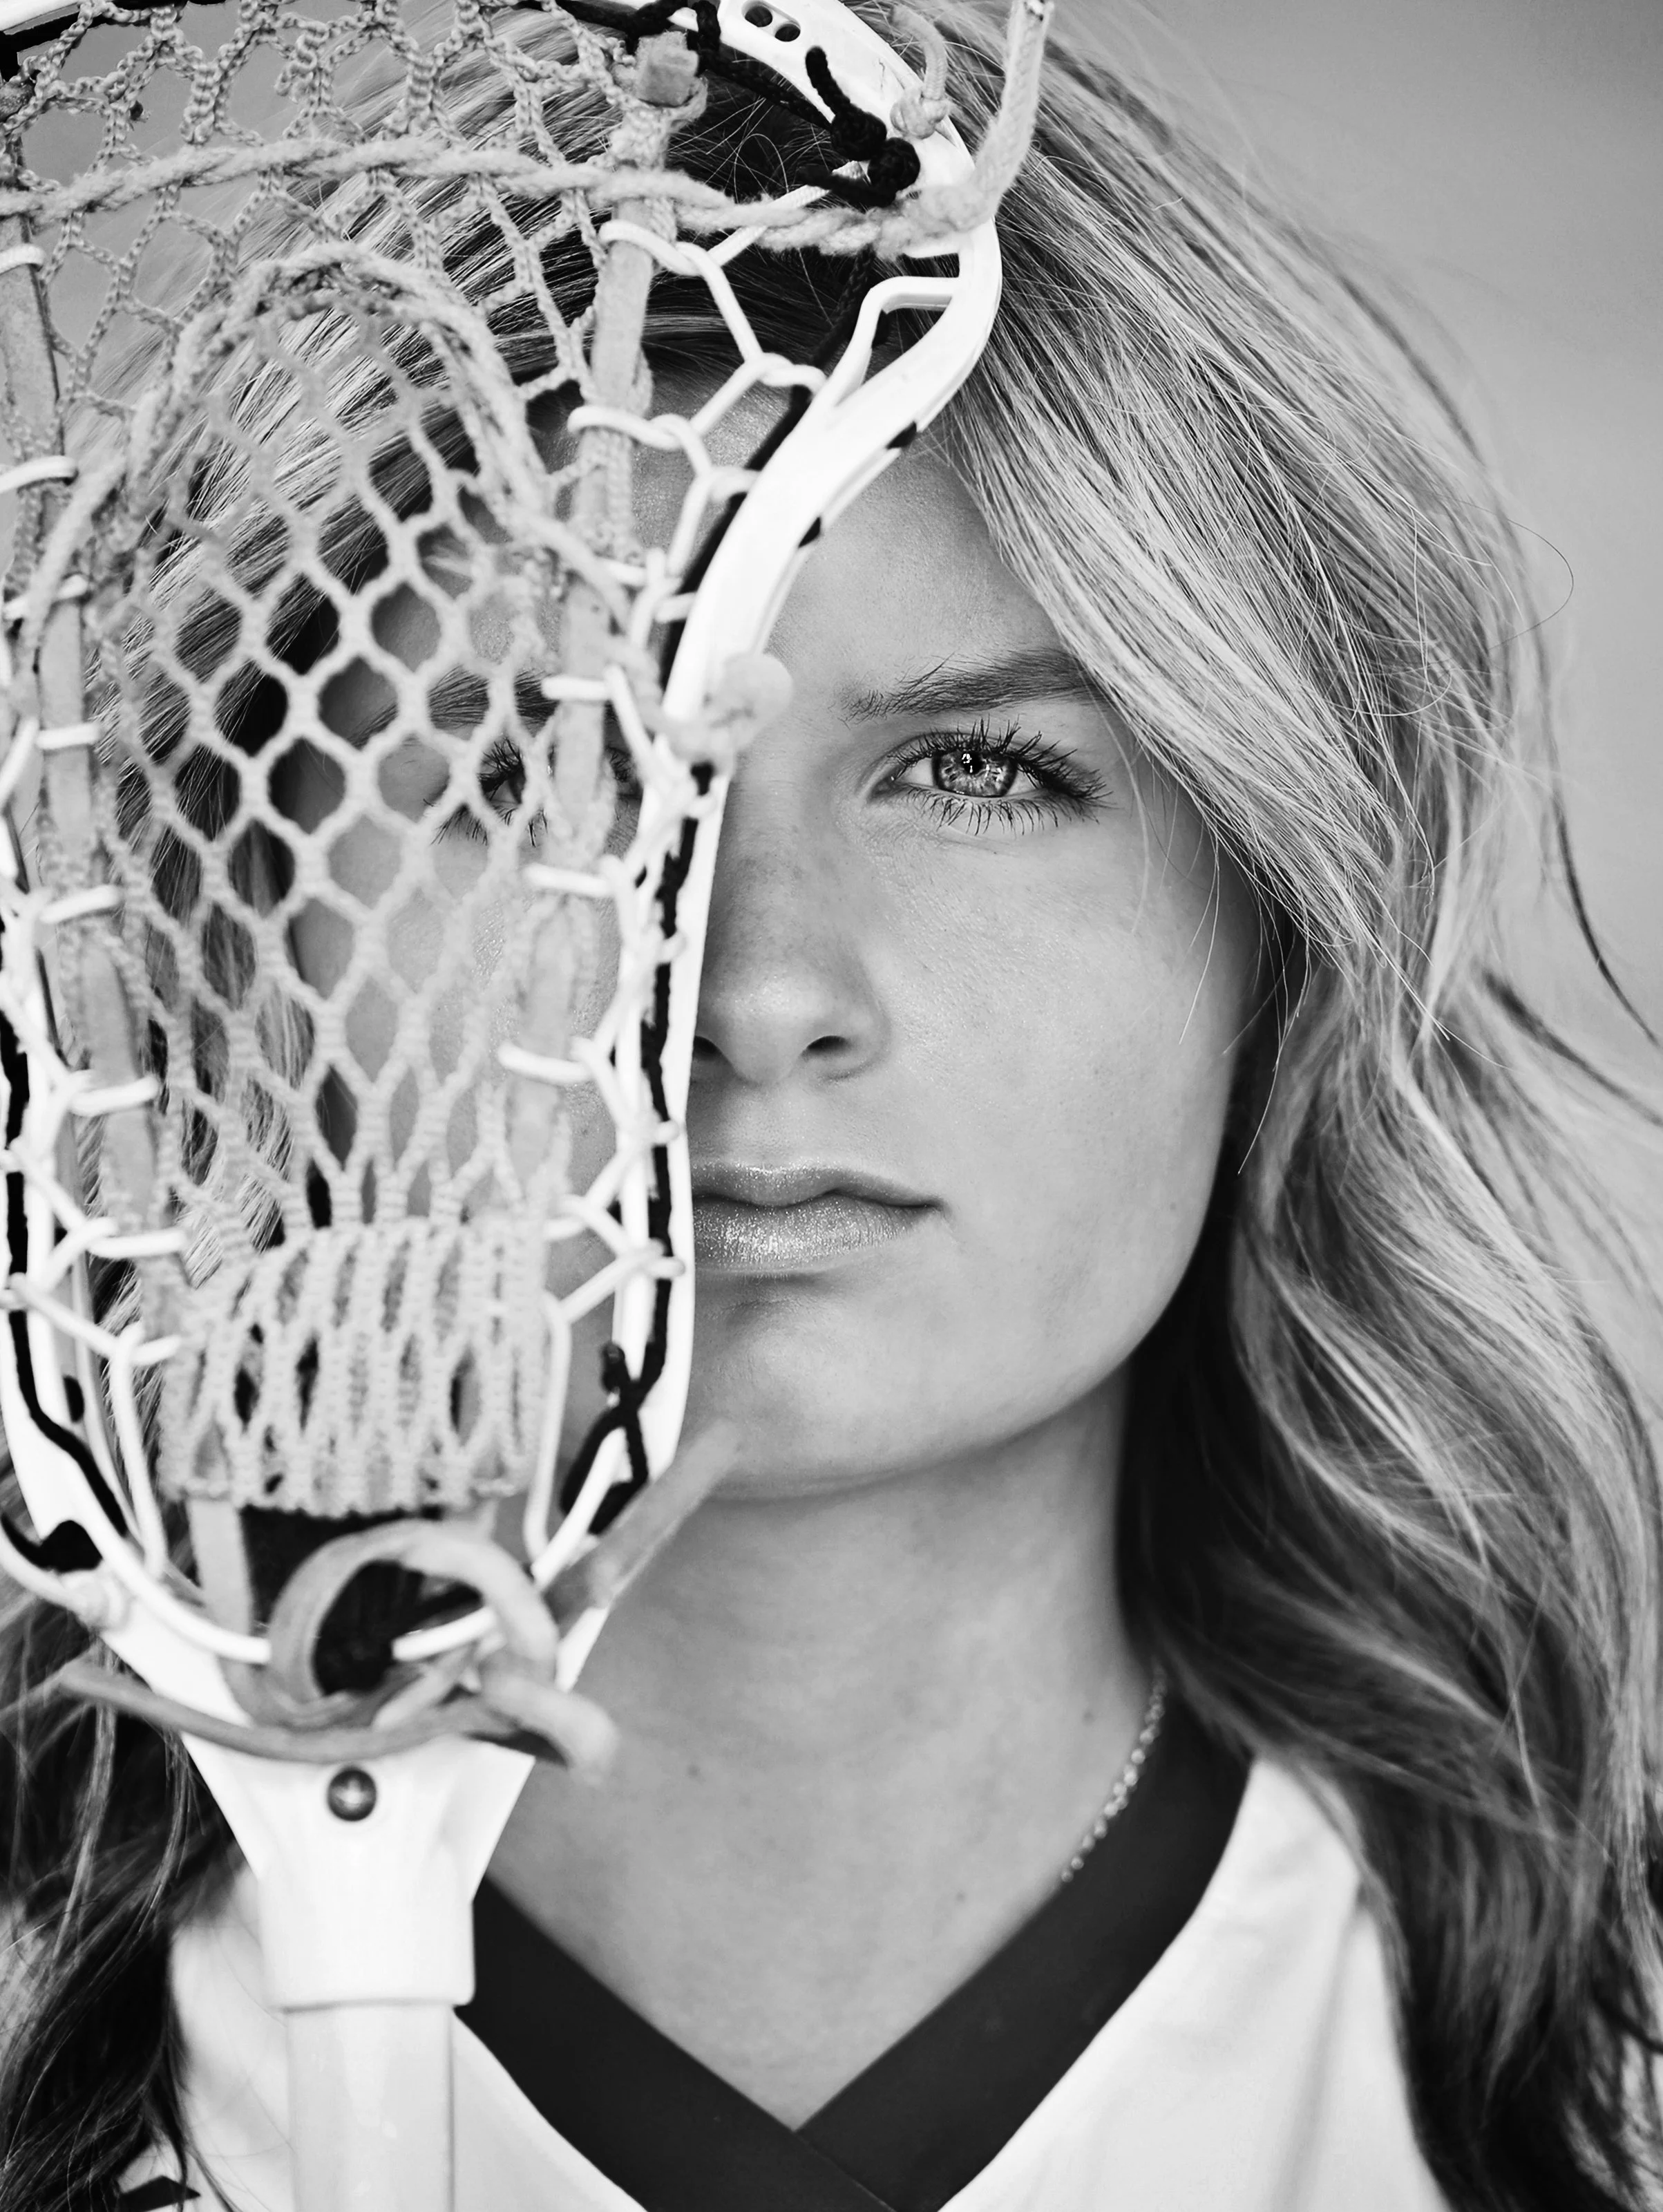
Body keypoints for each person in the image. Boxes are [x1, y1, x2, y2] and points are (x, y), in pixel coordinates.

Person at [3, 5, 1661, 2209]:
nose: (756, 991)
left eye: (977, 772)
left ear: (1282, 916)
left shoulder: (1593, 2093)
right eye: (541, 773)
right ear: (240, 923)